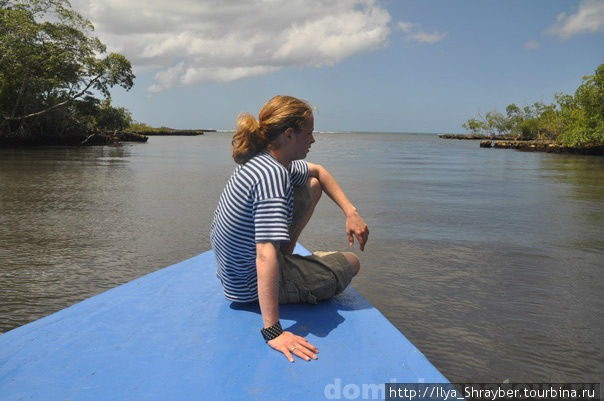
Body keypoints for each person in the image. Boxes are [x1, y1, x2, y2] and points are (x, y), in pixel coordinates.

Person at [210, 95, 369, 363]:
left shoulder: (266, 161)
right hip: (249, 286)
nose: (313, 140)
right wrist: (273, 331)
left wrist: (351, 212)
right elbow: (263, 254)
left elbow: (318, 172)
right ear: (289, 134)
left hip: (234, 276)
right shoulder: (272, 176)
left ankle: (288, 255)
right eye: (309, 133)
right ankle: (289, 269)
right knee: (352, 263)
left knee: (312, 185)